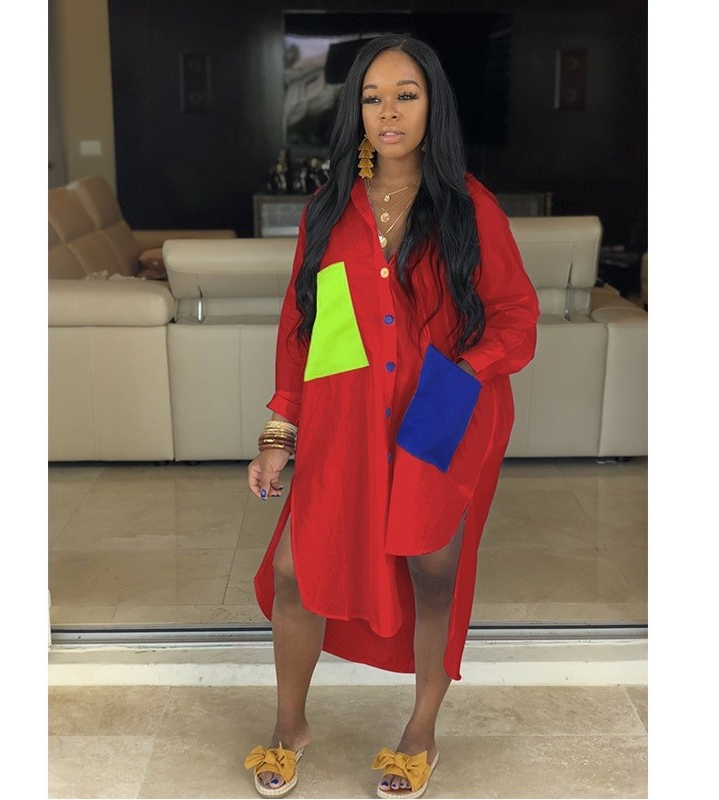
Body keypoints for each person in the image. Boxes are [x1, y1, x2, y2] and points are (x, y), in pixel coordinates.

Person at [243, 34, 539, 799]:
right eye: (373, 98)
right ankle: (289, 726)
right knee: (296, 570)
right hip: (346, 413)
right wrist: (280, 432)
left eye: (406, 95)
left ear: (432, 105)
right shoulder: (329, 209)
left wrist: (466, 371)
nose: (389, 112)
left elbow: (516, 314)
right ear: (356, 111)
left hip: (440, 405)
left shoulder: (469, 206)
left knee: (432, 570)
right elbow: (307, 331)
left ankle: (420, 733)